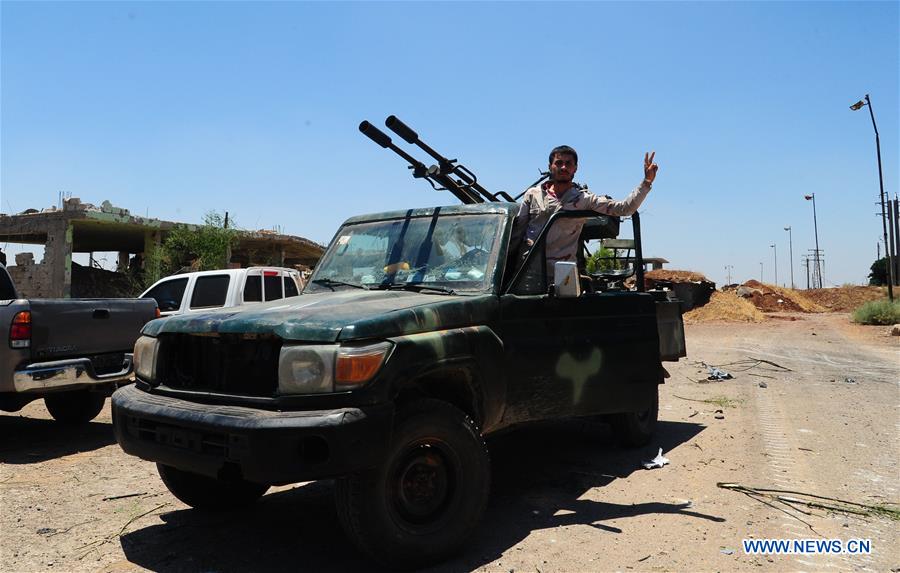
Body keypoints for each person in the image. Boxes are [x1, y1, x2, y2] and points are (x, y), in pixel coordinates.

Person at [510, 145, 658, 283]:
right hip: (528, 272)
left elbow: (624, 208)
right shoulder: (533, 194)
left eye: (568, 164)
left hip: (562, 275)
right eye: (559, 163)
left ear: (575, 169)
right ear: (550, 166)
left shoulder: (583, 199)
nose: (563, 167)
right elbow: (518, 232)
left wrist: (646, 182)